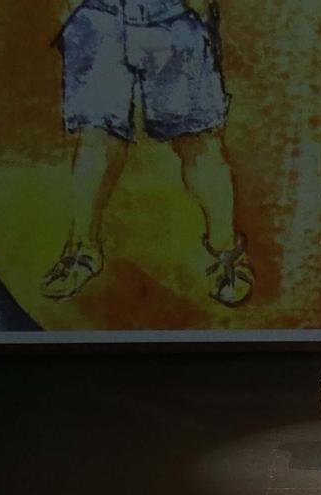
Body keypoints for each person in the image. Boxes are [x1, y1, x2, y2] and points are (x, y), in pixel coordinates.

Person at [43, 0, 251, 306]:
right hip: (98, 15)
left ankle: (225, 252)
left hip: (175, 15)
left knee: (198, 138)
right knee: (96, 137)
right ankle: (83, 248)